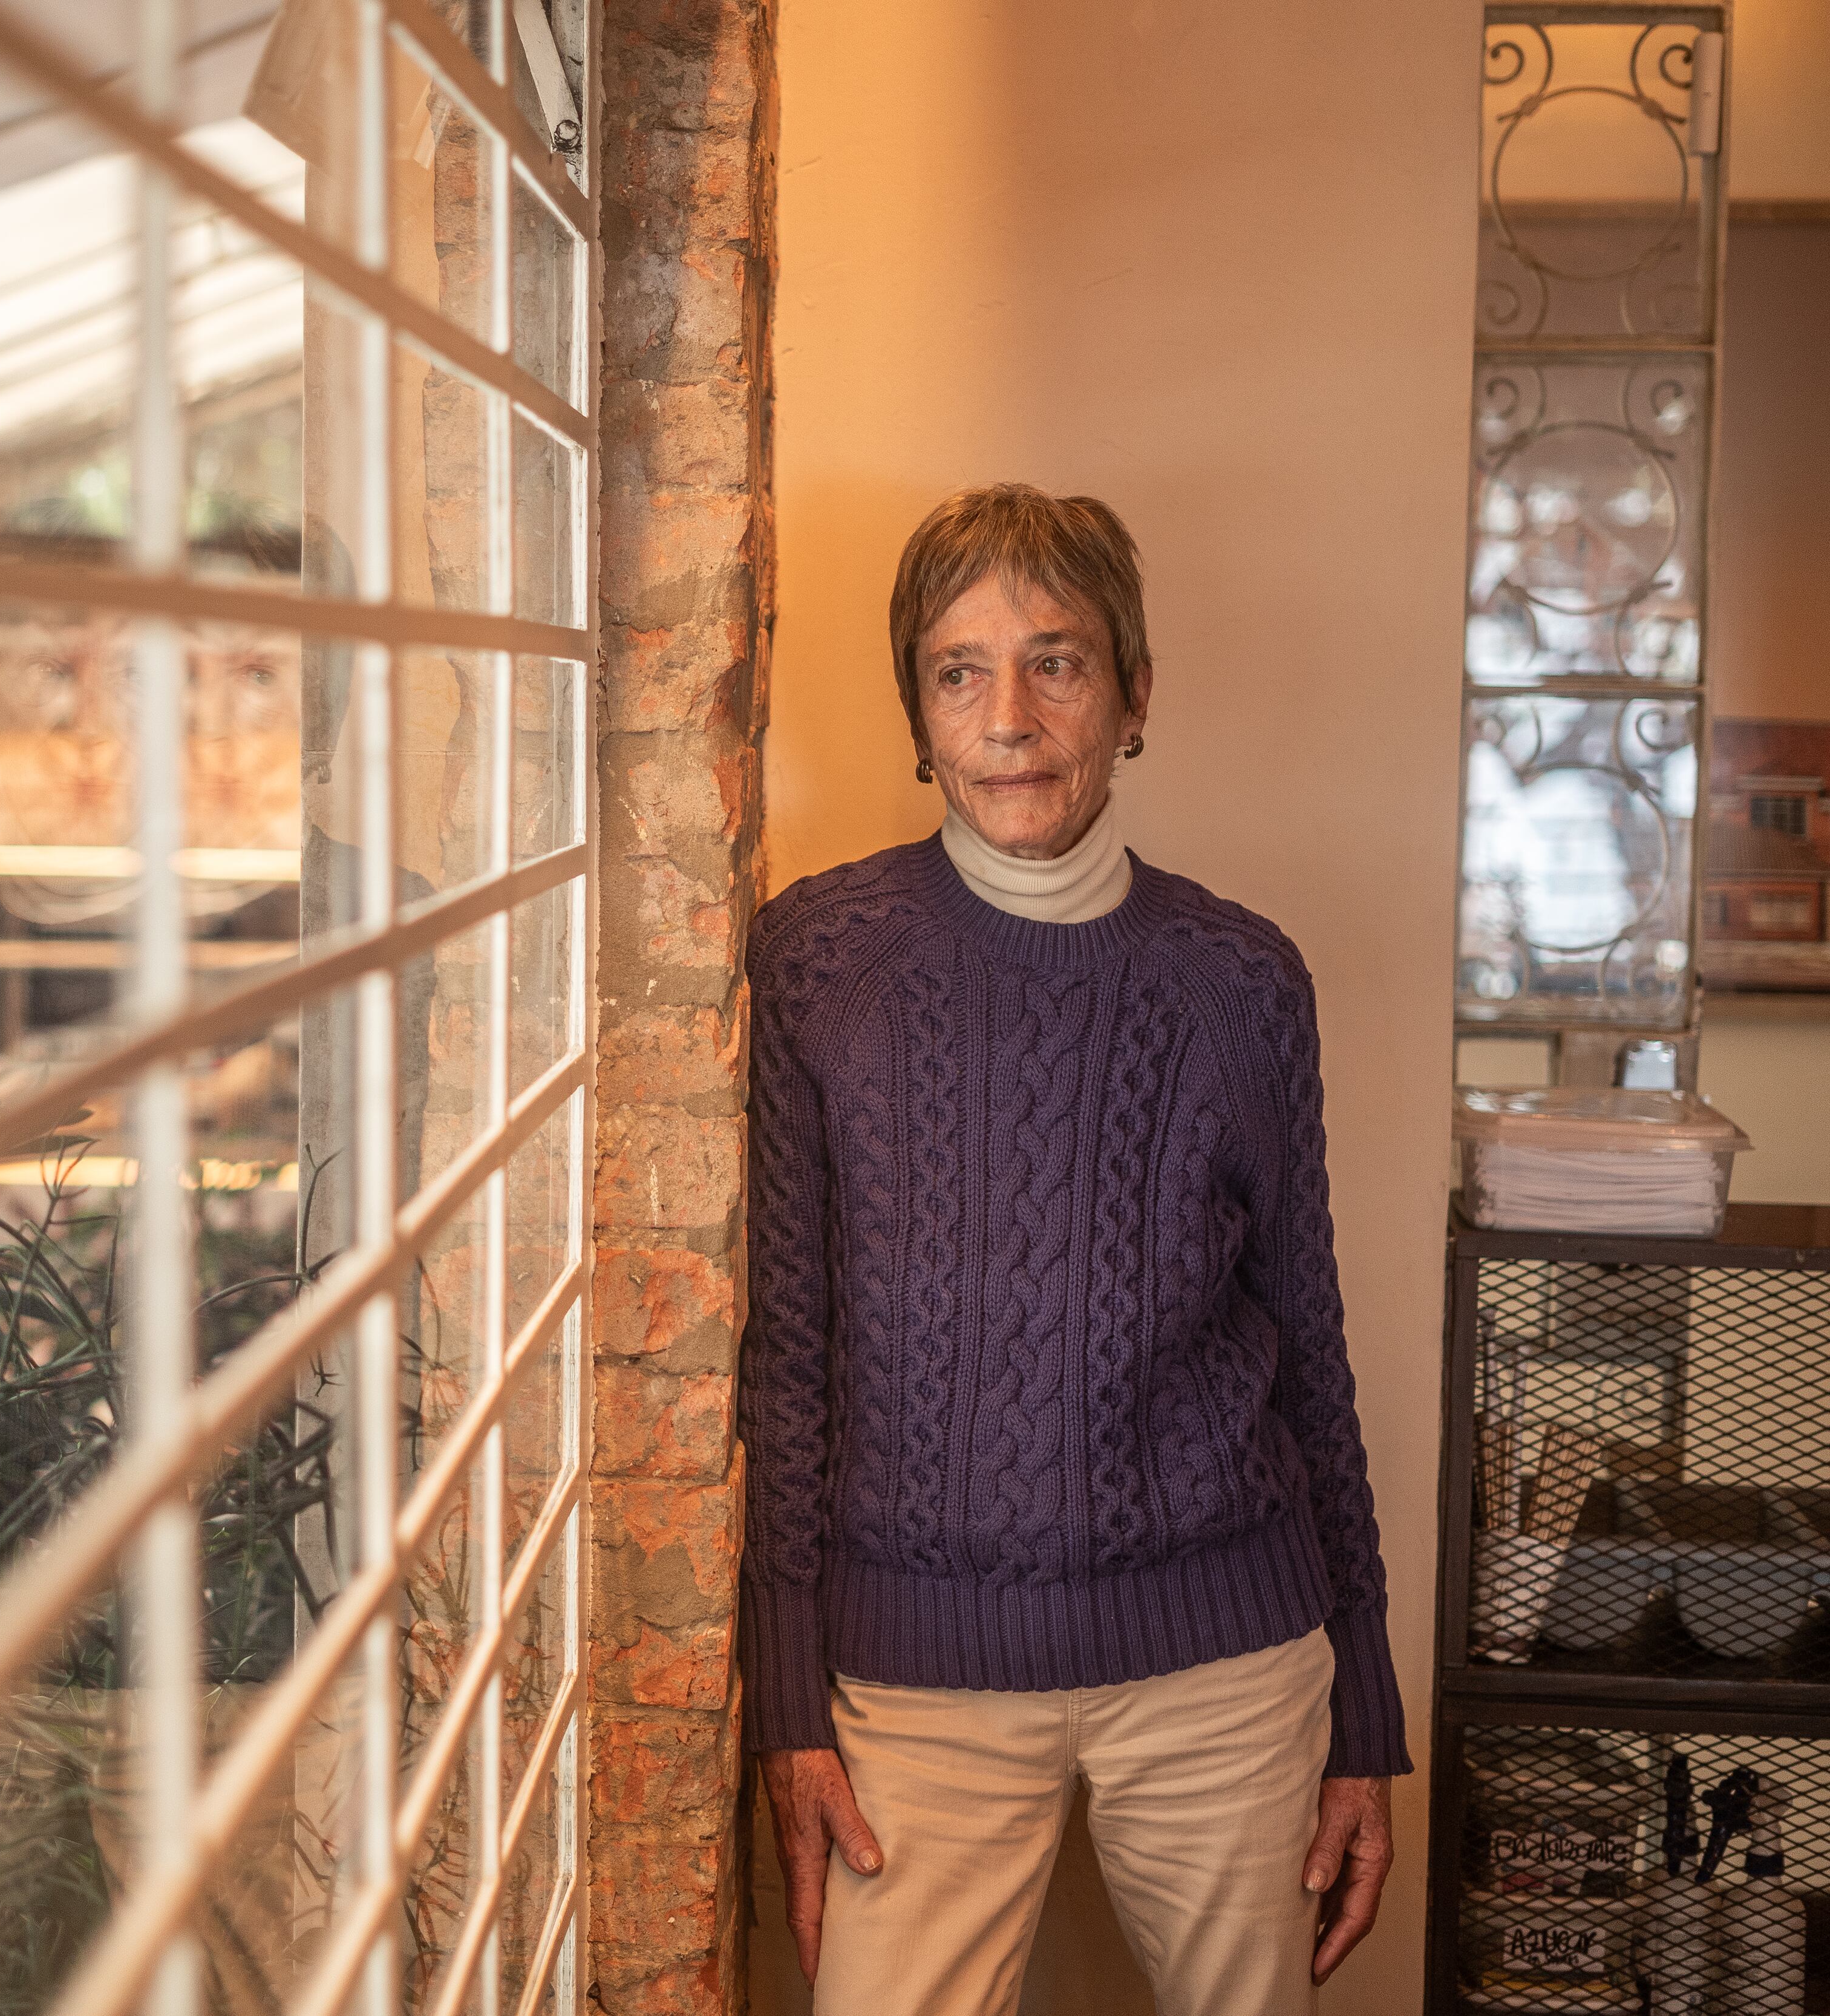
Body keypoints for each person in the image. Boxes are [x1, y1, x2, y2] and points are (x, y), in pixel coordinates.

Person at [742, 485, 1409, 2016]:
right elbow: (783, 1358)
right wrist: (786, 1700)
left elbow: (1310, 1344)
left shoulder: (1242, 981)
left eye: (1059, 660)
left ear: (1134, 696)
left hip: (1222, 1669)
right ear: (916, 712)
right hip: (911, 1676)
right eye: (959, 670)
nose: (1011, 716)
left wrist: (1363, 1711)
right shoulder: (815, 962)